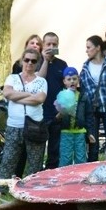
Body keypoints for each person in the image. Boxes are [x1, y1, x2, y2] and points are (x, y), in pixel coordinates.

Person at [0, 47, 47, 203]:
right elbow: (8, 94)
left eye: (33, 61)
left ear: (37, 64)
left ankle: (31, 191)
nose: (29, 63)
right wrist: (30, 95)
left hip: (35, 125)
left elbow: (40, 99)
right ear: (22, 60)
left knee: (35, 161)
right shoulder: (12, 78)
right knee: (9, 158)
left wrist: (18, 97)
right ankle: (0, 191)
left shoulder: (41, 81)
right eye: (27, 60)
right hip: (14, 125)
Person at [80, 35, 106, 160]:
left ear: (97, 48)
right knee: (93, 148)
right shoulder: (85, 67)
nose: (86, 50)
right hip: (91, 111)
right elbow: (82, 89)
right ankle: (92, 177)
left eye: (89, 47)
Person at [37, 32, 69, 169]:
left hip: (56, 114)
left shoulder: (62, 64)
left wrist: (62, 110)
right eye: (48, 44)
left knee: (54, 150)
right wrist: (45, 60)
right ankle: (36, 175)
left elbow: (66, 88)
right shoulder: (35, 62)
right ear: (43, 45)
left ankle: (50, 175)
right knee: (38, 149)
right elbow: (40, 80)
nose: (51, 47)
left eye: (54, 44)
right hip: (39, 113)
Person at [55, 66, 94, 166]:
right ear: (64, 81)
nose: (72, 81)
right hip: (66, 131)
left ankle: (79, 179)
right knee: (65, 158)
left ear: (78, 80)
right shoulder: (61, 95)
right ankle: (64, 179)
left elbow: (89, 116)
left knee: (81, 159)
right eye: (69, 79)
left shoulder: (83, 96)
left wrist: (90, 132)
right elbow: (57, 116)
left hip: (80, 132)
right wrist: (59, 115)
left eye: (74, 79)